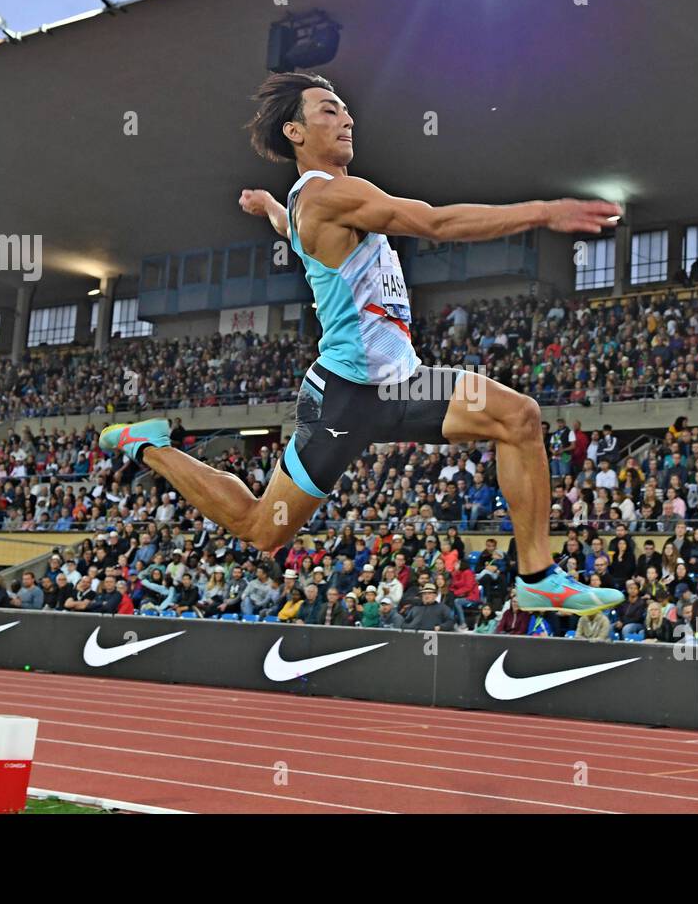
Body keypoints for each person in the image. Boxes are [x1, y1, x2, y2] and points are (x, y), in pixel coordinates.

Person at [98, 72, 624, 623]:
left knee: (519, 417)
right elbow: (436, 223)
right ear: (295, 132)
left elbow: (293, 232)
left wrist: (268, 209)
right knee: (263, 530)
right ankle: (148, 446)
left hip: (402, 383)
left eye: (346, 110)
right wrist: (544, 213)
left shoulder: (310, 204)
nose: (347, 118)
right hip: (343, 401)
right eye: (329, 111)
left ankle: (537, 577)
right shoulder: (331, 195)